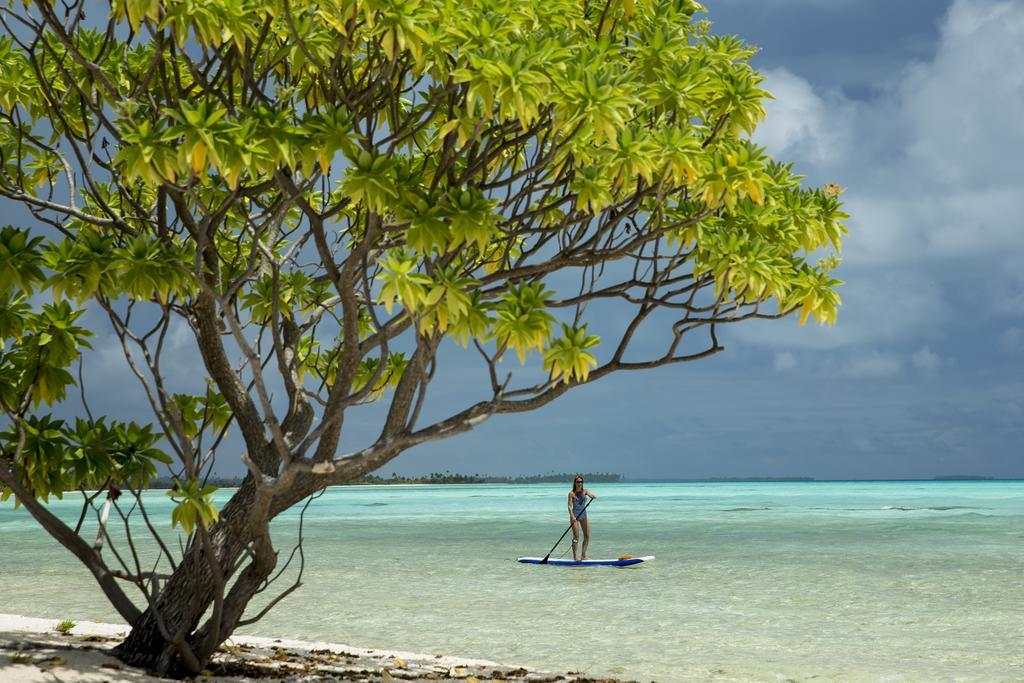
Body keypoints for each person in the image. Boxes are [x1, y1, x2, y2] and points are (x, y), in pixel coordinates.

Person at [568, 475, 597, 561]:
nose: (579, 483)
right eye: (578, 482)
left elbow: (591, 495)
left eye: (581, 482)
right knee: (576, 537)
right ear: (575, 483)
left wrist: (593, 496)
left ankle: (583, 555)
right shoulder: (571, 493)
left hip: (584, 515)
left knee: (587, 536)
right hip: (575, 516)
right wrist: (572, 516)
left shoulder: (585, 491)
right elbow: (569, 506)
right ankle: (575, 556)